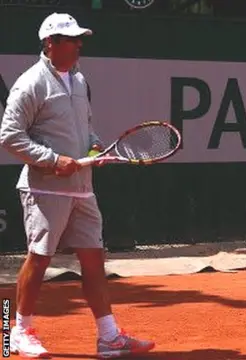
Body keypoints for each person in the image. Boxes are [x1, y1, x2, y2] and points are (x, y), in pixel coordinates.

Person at [0, 13, 155, 358]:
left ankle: (109, 337)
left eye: (79, 38)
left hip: (82, 188)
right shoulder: (31, 84)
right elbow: (9, 136)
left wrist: (94, 147)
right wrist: (54, 161)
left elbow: (85, 129)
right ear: (50, 43)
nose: (79, 44)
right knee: (39, 259)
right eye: (71, 39)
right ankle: (18, 332)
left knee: (93, 260)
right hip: (45, 189)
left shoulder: (79, 80)